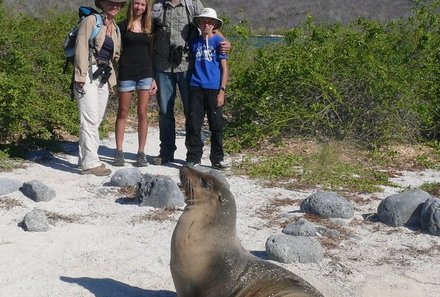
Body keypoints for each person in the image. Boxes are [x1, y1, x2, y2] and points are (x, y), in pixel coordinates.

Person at [151, 0, 230, 165]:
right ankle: (166, 152)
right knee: (165, 112)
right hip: (162, 66)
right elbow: (150, 34)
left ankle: (193, 156)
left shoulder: (193, 5)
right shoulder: (157, 7)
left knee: (192, 114)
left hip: (187, 67)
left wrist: (225, 42)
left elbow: (209, 23)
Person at [74, 0, 126, 176]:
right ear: (102, 3)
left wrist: (111, 81)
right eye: (111, 2)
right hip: (88, 72)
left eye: (119, 3)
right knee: (89, 118)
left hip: (103, 75)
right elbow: (81, 45)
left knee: (96, 118)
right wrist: (80, 76)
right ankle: (90, 163)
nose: (115, 6)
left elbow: (114, 56)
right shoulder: (91, 21)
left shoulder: (116, 28)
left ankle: (85, 158)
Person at [114, 0, 158, 167]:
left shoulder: (151, 27)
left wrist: (153, 76)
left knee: (142, 112)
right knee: (123, 112)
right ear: (131, 5)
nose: (139, 7)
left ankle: (141, 153)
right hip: (127, 72)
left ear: (147, 7)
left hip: (145, 72)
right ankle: (119, 151)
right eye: (137, 3)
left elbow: (152, 52)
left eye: (143, 4)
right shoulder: (122, 25)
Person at [185, 8, 228, 170]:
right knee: (194, 124)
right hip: (196, 87)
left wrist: (222, 90)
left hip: (214, 89)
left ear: (215, 24)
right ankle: (193, 157)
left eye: (209, 22)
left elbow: (225, 68)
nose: (206, 24)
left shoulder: (219, 43)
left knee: (216, 125)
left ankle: (217, 158)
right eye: (203, 21)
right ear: (199, 23)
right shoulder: (194, 42)